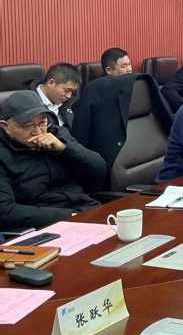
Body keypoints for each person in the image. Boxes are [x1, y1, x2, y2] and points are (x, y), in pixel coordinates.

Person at [0, 91, 106, 229]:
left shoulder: (56, 134)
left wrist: (65, 148)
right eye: (28, 125)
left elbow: (99, 169)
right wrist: (70, 217)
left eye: (42, 122)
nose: (38, 132)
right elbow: (5, 212)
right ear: (5, 126)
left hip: (85, 207)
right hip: (43, 224)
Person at [32, 63, 81, 128]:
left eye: (72, 92)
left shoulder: (73, 103)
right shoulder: (28, 104)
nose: (69, 96)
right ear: (51, 83)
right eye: (66, 90)